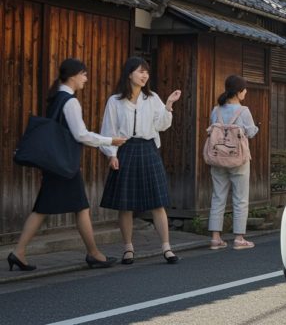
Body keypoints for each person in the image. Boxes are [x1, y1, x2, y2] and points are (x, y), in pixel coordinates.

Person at [8, 58, 127, 271]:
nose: (86, 79)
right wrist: (110, 140)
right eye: (84, 74)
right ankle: (93, 254)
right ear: (73, 75)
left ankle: (19, 252)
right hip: (64, 167)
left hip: (54, 164)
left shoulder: (56, 98)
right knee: (80, 207)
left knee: (44, 209)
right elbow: (80, 134)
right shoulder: (70, 101)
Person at [99, 57, 182, 264]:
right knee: (125, 204)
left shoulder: (152, 98)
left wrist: (169, 104)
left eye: (146, 72)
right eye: (140, 71)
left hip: (148, 149)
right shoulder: (115, 101)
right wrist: (111, 154)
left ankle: (166, 248)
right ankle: (128, 248)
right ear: (129, 74)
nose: (144, 75)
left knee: (158, 201)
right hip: (125, 149)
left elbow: (162, 125)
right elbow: (108, 130)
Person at [208, 75, 259, 251]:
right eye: (244, 90)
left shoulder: (217, 110)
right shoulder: (243, 111)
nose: (245, 93)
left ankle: (215, 238)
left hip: (218, 157)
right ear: (238, 92)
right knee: (240, 198)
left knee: (218, 196)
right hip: (238, 159)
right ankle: (239, 238)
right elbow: (251, 133)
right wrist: (254, 128)